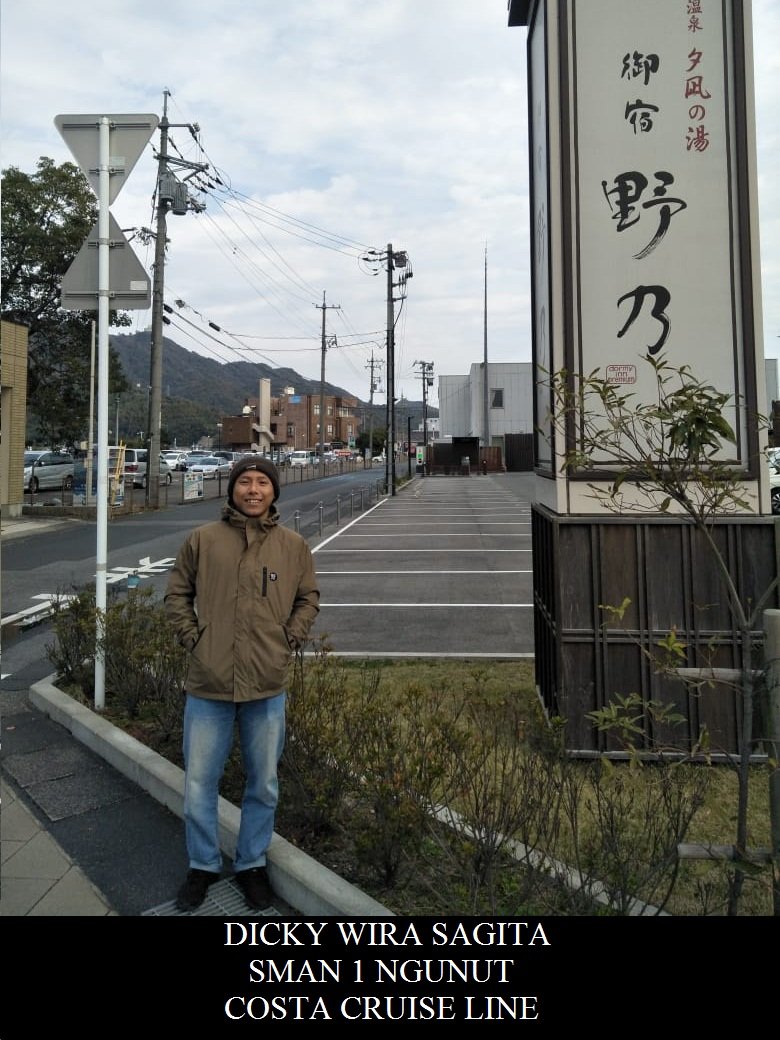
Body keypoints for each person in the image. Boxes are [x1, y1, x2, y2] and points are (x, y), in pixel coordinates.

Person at [164, 454, 320, 912]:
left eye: (262, 482)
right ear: (233, 489)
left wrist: (289, 638)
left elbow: (308, 597)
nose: (253, 490)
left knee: (263, 783)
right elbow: (177, 593)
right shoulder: (203, 540)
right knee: (199, 783)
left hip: (267, 683)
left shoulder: (292, 546)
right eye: (245, 482)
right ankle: (203, 864)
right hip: (208, 682)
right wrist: (194, 639)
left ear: (274, 490)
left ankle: (252, 863)